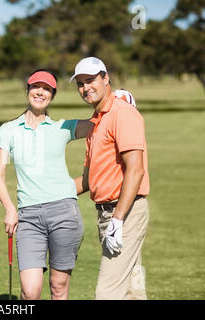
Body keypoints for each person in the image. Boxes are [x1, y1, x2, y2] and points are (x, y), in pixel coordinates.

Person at [0, 69, 134, 300]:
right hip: (28, 217)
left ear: (52, 96)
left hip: (64, 214)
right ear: (27, 90)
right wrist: (10, 209)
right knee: (30, 291)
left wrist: (118, 102)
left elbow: (100, 123)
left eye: (47, 88)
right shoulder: (8, 130)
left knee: (59, 288)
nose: (40, 92)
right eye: (36, 86)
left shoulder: (62, 127)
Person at [71, 57, 150, 300]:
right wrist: (45, 194)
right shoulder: (96, 123)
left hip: (125, 213)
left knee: (107, 293)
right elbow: (87, 181)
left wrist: (118, 220)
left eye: (91, 80)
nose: (86, 88)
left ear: (106, 79)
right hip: (107, 214)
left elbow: (135, 170)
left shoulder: (122, 113)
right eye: (81, 84)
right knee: (130, 291)